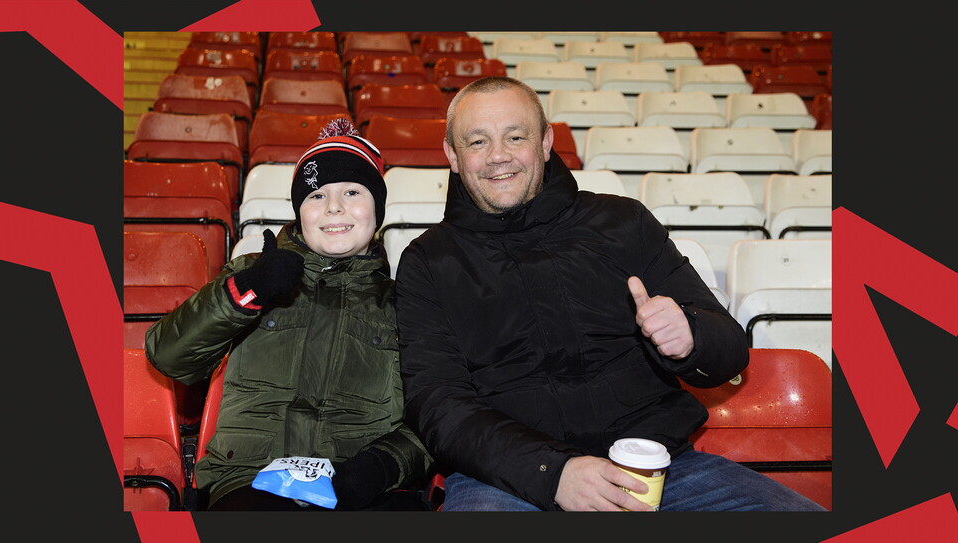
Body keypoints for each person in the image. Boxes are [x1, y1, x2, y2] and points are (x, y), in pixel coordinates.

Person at [395, 77, 826, 512]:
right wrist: (552, 472)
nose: (498, 155)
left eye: (516, 137)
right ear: (453, 155)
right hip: (506, 481)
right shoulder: (428, 261)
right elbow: (437, 404)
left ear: (545, 142)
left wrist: (691, 337)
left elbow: (729, 350)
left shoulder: (623, 221)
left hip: (659, 470)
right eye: (477, 141)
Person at [145, 118, 433, 511]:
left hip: (364, 482)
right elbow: (169, 356)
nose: (334, 206)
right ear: (299, 211)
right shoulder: (250, 275)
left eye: (352, 191)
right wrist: (247, 290)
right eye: (316, 195)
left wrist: (382, 466)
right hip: (250, 477)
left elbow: (437, 414)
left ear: (377, 208)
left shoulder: (405, 301)